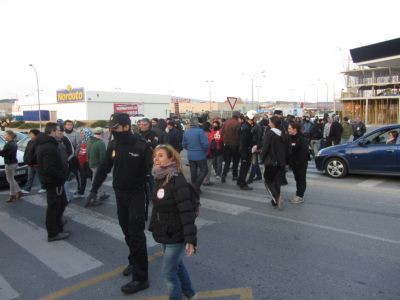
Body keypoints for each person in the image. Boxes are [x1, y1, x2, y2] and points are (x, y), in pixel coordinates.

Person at [86, 113, 152, 295]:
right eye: (111, 127)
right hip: (120, 194)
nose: (111, 130)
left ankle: (141, 278)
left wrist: (159, 199)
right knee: (126, 231)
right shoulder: (113, 144)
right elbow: (104, 168)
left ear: (126, 127)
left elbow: (153, 172)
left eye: (115, 127)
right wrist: (93, 190)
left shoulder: (142, 146)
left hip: (137, 194)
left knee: (136, 234)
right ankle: (134, 260)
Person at [149, 144, 198, 300]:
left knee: (168, 273)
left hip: (176, 233)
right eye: (155, 156)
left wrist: (190, 240)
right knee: (176, 265)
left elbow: (187, 212)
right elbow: (157, 208)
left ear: (171, 159)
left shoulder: (177, 180)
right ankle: (190, 294)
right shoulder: (159, 177)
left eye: (161, 155)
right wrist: (154, 226)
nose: (156, 159)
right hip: (164, 230)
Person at [36, 123, 69, 241]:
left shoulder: (48, 144)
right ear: (53, 131)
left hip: (54, 181)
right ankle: (53, 233)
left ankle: (58, 228)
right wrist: (61, 176)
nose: (61, 132)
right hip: (54, 182)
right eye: (59, 130)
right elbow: (49, 168)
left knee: (61, 204)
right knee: (54, 207)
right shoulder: (48, 147)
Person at [261, 116, 287, 210]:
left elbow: (265, 148)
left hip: (271, 162)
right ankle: (275, 201)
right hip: (281, 162)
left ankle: (276, 197)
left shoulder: (270, 133)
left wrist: (262, 159)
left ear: (273, 123)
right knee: (277, 182)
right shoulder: (283, 134)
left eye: (269, 122)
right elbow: (287, 149)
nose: (268, 123)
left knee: (267, 181)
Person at [182, 117, 208, 194]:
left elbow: (184, 144)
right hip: (200, 155)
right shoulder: (200, 131)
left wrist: (190, 149)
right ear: (197, 123)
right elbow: (205, 144)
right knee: (204, 170)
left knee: (193, 172)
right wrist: (204, 151)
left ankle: (195, 187)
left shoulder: (186, 132)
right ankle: (196, 186)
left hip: (190, 155)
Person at [85, 127, 109, 206]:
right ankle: (95, 198)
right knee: (96, 181)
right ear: (102, 133)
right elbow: (103, 157)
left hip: (91, 163)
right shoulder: (101, 143)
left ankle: (101, 194)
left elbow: (87, 153)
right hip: (97, 165)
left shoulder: (89, 140)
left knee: (96, 179)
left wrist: (88, 161)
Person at [288, 122, 308, 204]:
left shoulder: (301, 138)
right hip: (294, 164)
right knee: (297, 179)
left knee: (301, 180)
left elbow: (303, 153)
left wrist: (298, 162)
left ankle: (300, 196)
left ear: (295, 129)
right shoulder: (290, 137)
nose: (288, 130)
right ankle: (298, 195)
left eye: (289, 128)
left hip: (301, 164)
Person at [0, 130, 23, 203]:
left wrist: (1, 152)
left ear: (9, 136)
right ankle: (19, 192)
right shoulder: (13, 143)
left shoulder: (9, 144)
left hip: (10, 163)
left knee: (10, 180)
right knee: (11, 180)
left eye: (5, 135)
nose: (4, 136)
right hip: (13, 163)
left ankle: (12, 196)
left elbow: (3, 154)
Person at [237, 110, 258, 190]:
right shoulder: (246, 127)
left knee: (243, 167)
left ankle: (240, 181)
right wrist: (244, 152)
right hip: (245, 151)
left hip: (246, 150)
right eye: (255, 117)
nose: (256, 119)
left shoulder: (248, 126)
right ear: (251, 118)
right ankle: (242, 183)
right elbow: (243, 141)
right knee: (245, 168)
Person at [21, 129, 46, 194]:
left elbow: (37, 153)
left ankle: (44, 187)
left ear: (35, 135)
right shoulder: (30, 142)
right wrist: (26, 159)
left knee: (40, 176)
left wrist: (33, 160)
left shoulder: (39, 142)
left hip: (36, 163)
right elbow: (27, 151)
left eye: (31, 134)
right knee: (30, 177)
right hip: (30, 163)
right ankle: (27, 189)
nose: (30, 135)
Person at [220, 111, 241, 183]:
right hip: (235, 145)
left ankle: (223, 175)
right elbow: (239, 136)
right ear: (238, 116)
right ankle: (235, 176)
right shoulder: (237, 123)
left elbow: (221, 132)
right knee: (235, 161)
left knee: (227, 162)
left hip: (226, 145)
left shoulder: (226, 122)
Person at [74, 128, 93, 198]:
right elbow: (77, 151)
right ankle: (81, 192)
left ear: (86, 134)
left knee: (92, 178)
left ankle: (97, 193)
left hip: (88, 163)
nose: (80, 134)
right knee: (83, 178)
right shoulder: (81, 141)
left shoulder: (90, 142)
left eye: (82, 133)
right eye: (80, 133)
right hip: (81, 163)